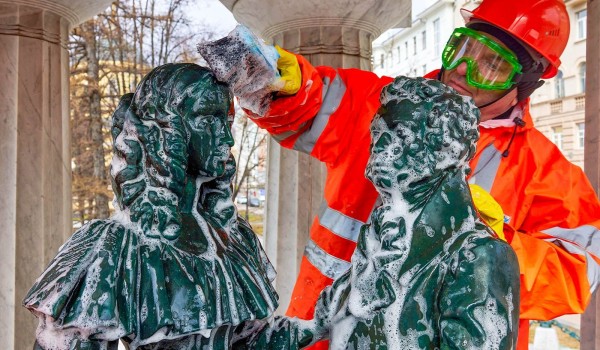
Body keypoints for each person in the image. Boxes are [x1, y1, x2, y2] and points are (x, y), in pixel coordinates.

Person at [199, 0, 600, 348]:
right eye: (462, 48)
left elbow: (580, 273)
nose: (462, 70)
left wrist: (484, 243)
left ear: (524, 84)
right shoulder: (388, 105)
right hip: (325, 326)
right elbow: (316, 103)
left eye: (491, 65)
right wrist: (282, 85)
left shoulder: (545, 170)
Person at [23, 63, 278, 350]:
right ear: (166, 128)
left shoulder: (235, 238)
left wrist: (322, 319)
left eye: (227, 122)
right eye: (208, 119)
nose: (227, 138)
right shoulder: (111, 250)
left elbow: (253, 341)